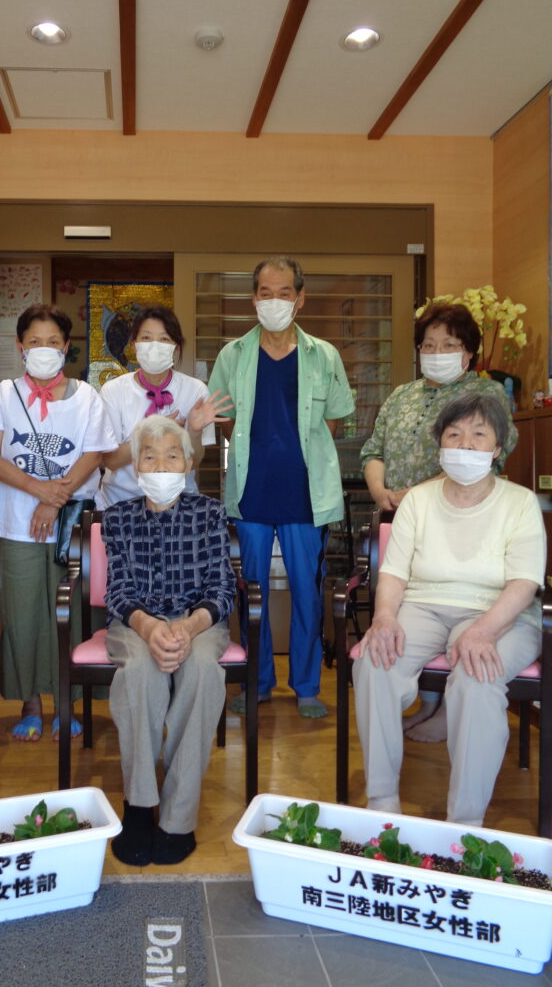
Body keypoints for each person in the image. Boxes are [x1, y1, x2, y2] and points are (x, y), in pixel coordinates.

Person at [353, 393, 545, 826]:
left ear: (497, 449)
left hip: (500, 612)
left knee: (477, 680)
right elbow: (395, 573)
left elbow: (524, 582)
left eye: (479, 435)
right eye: (454, 434)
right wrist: (383, 618)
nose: (465, 444)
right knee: (373, 663)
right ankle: (382, 803)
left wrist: (484, 631)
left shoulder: (519, 502)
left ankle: (465, 824)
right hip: (423, 604)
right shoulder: (418, 500)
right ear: (440, 444)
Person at [360, 301, 518, 743]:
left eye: (449, 344)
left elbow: (484, 455)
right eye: (429, 344)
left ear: (468, 353)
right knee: (407, 605)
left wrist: (417, 493)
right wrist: (381, 491)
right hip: (398, 516)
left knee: (447, 602)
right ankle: (425, 704)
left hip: (458, 516)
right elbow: (374, 450)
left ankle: (447, 709)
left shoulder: (485, 395)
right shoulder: (402, 395)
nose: (438, 351)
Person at [208, 256, 354, 718]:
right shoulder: (233, 354)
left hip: (306, 496)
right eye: (265, 293)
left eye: (284, 292)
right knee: (251, 591)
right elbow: (223, 420)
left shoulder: (324, 355)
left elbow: (334, 419)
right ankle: (259, 681)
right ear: (254, 298)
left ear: (300, 298)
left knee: (308, 592)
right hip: (250, 495)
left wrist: (294, 451)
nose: (274, 301)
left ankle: (307, 685)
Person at [0, 304, 117, 742]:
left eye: (53, 342)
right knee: (21, 616)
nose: (43, 349)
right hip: (12, 524)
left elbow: (95, 454)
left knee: (70, 612)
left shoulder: (88, 397)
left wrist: (54, 501)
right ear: (20, 347)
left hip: (71, 522)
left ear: (67, 348)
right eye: (34, 342)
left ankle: (66, 703)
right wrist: (42, 493)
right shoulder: (3, 394)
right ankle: (31, 704)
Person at [102, 415, 236, 865]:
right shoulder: (117, 518)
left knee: (201, 670)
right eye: (150, 457)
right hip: (135, 622)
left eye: (172, 456)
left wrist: (190, 625)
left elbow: (222, 587)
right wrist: (148, 626)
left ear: (190, 462)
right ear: (136, 469)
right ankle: (140, 806)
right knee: (140, 671)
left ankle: (178, 817)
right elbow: (117, 589)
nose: (161, 467)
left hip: (199, 622)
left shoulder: (210, 513)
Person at [96, 305, 231, 509]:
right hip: (120, 505)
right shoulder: (113, 391)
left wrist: (193, 431)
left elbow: (195, 461)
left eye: (164, 339)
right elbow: (111, 461)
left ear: (176, 347)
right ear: (134, 345)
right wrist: (150, 431)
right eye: (146, 338)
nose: (154, 345)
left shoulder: (195, 391)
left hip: (179, 504)